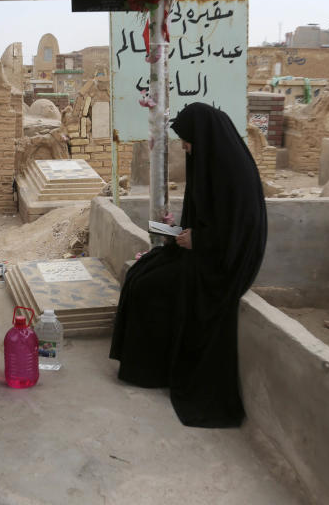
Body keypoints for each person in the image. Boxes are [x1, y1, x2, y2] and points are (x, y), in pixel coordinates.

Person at [109, 103, 267, 428]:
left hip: (226, 263)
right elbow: (204, 218)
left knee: (153, 287)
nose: (184, 146)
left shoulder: (232, 169)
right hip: (206, 251)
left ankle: (152, 371)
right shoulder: (208, 160)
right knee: (141, 273)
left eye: (186, 140)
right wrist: (179, 234)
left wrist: (200, 241)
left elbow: (241, 231)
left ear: (202, 136)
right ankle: (148, 366)